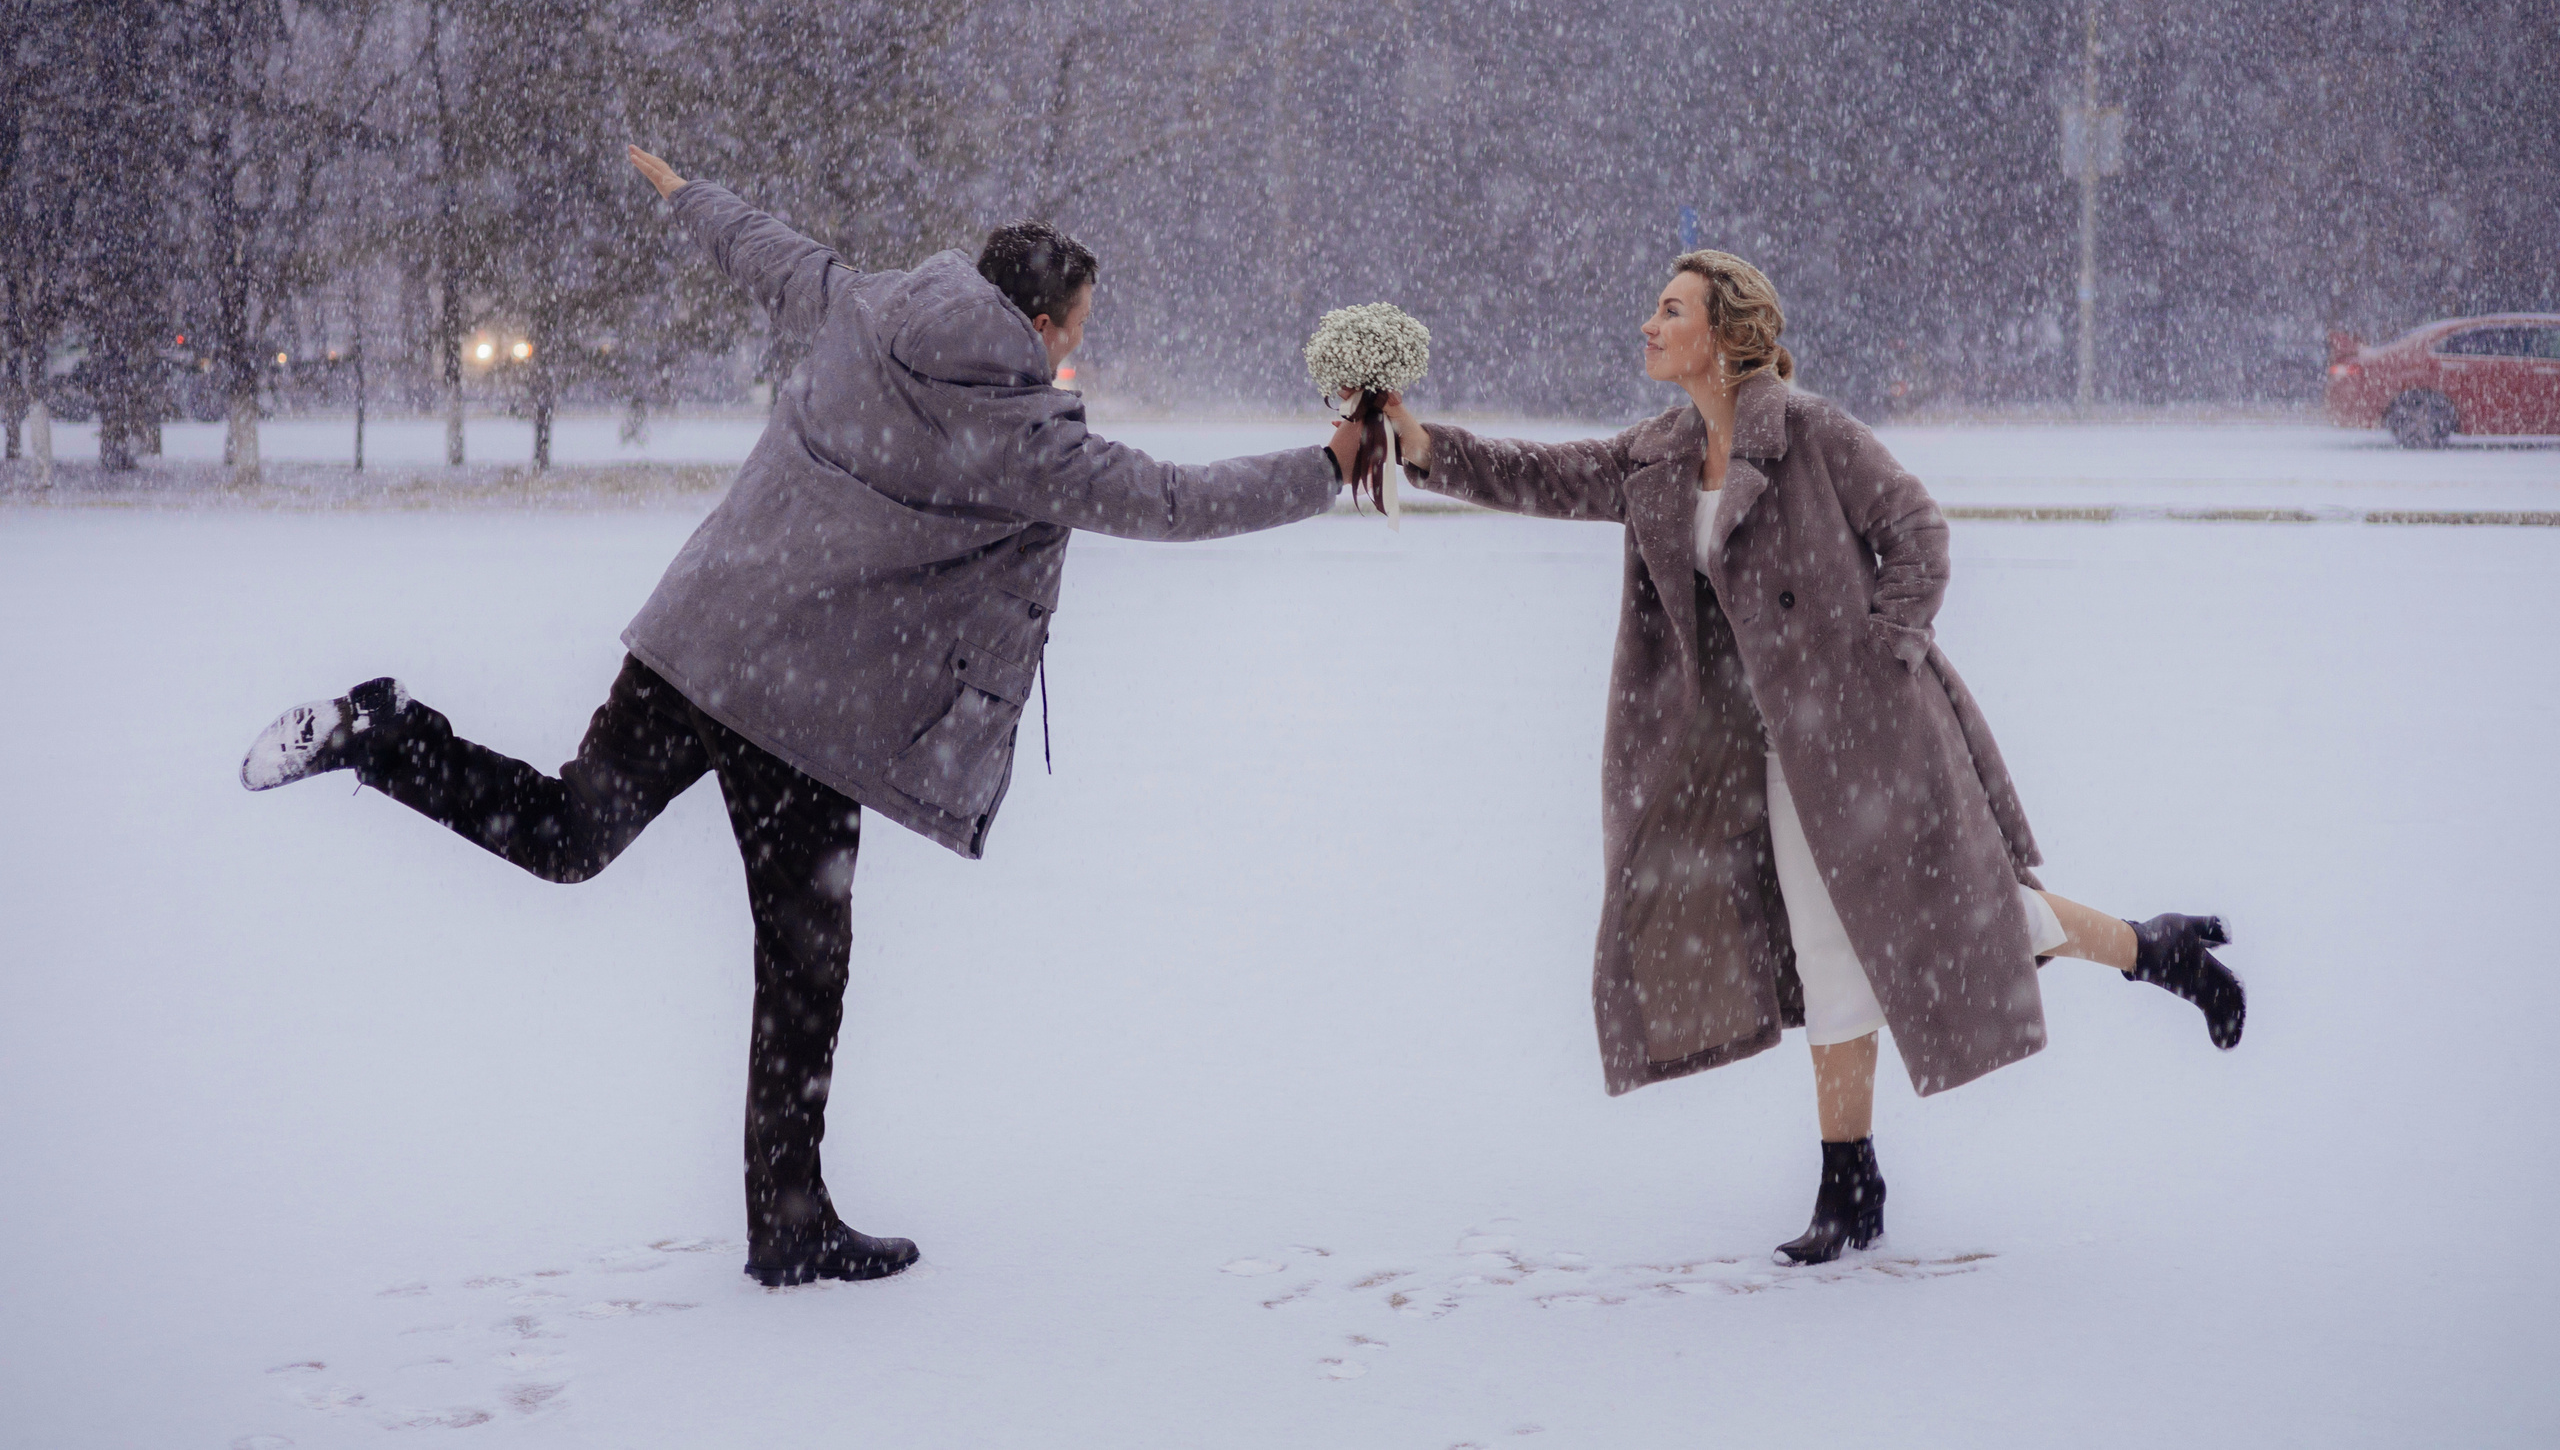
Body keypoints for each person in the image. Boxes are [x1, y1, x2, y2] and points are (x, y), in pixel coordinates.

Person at [240, 146, 1367, 1287]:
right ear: (1032, 321)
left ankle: (382, 734)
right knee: (802, 967)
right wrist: (1331, 464)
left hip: (699, 638)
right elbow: (1175, 503)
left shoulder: (867, 309)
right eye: (1073, 328)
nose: (1077, 348)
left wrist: (687, 196)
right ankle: (787, 1225)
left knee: (571, 833)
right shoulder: (1020, 434)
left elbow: (773, 254)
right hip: (803, 711)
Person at [1380, 250, 2244, 1266]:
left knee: (1979, 921)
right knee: (1839, 958)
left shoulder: (1811, 435)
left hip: (1873, 745)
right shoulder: (1655, 454)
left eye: (1670, 311)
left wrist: (1881, 660)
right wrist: (1417, 440)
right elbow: (1543, 475)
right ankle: (1852, 1187)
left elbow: (1916, 532)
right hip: (1766, 766)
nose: (1649, 327)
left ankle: (2161, 953)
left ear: (1725, 333)